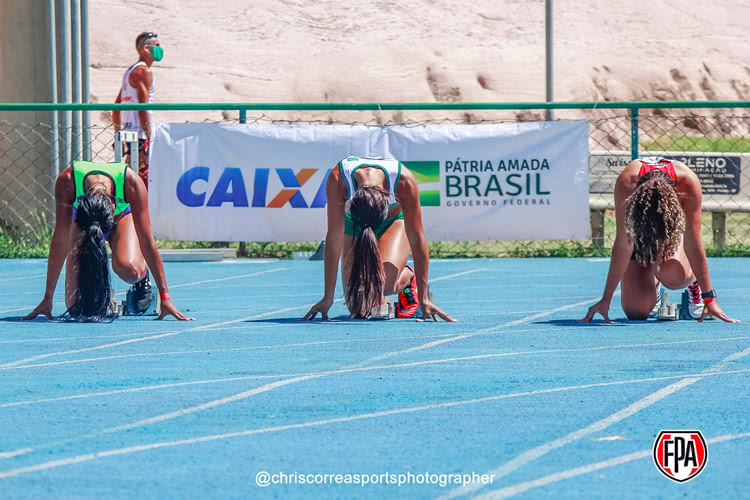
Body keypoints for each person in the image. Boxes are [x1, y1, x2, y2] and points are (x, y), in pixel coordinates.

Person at [23, 160, 193, 321]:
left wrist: (165, 297)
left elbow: (147, 240)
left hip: (123, 219)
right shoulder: (67, 181)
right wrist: (48, 298)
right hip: (83, 224)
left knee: (130, 270)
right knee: (76, 308)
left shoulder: (131, 182)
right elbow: (60, 241)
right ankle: (97, 289)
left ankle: (142, 276)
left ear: (113, 205)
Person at [580, 157, 738, 323]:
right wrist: (606, 299)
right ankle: (653, 280)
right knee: (636, 312)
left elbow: (694, 242)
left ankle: (692, 282)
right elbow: (623, 243)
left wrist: (709, 298)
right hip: (639, 236)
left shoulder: (687, 182)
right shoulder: (627, 183)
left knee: (672, 276)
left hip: (671, 234)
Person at [301, 156, 455, 322]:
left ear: (387, 197)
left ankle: (407, 278)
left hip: (392, 221)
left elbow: (417, 240)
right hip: (354, 224)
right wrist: (327, 298)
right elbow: (333, 240)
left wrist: (424, 298)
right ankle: (377, 291)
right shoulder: (338, 180)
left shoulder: (404, 181)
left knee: (385, 284)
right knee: (357, 307)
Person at [112, 31, 162, 187]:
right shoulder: (143, 72)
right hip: (139, 136)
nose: (160, 49)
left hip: (128, 134)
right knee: (140, 184)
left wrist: (117, 133)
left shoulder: (130, 71)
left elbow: (116, 105)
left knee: (130, 180)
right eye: (157, 46)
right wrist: (149, 136)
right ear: (146, 49)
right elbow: (142, 106)